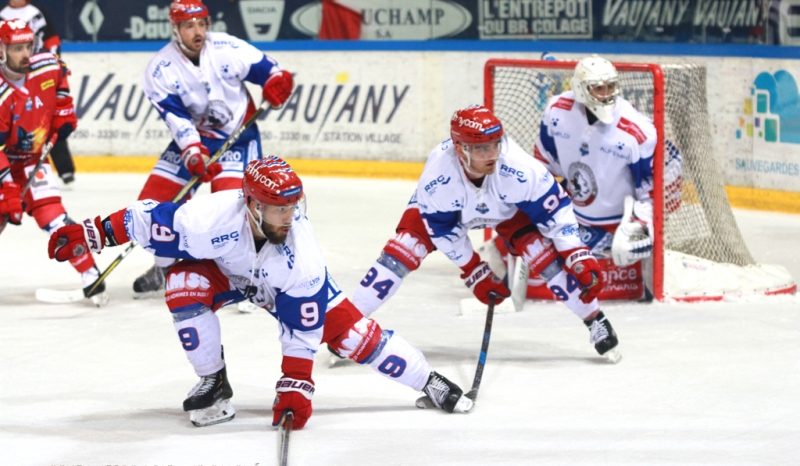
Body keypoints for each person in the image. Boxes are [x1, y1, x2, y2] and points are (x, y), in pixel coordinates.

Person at [47, 156, 473, 428]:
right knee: (182, 285)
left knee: (352, 338)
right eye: (277, 207)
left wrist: (295, 387)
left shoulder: (302, 257)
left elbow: (301, 333)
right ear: (251, 204)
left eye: (292, 206)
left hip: (279, 288)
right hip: (226, 273)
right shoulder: (208, 218)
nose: (288, 216)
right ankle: (213, 383)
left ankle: (428, 380)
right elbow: (145, 220)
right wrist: (89, 234)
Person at [352, 104, 621, 362]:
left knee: (543, 256)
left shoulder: (521, 170)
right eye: (482, 148)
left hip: (505, 209)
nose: (492, 153)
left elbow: (557, 209)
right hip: (450, 211)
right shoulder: (437, 179)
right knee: (401, 251)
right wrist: (473, 270)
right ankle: (347, 326)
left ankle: (595, 319)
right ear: (460, 148)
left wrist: (575, 252)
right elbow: (444, 229)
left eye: (495, 144)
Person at [131, 0, 294, 299]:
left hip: (238, 137)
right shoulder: (160, 70)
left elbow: (270, 70)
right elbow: (176, 118)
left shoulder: (227, 48)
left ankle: (251, 275)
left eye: (202, 24)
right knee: (150, 205)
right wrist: (194, 152)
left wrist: (276, 83)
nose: (198, 31)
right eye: (189, 25)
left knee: (235, 210)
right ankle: (164, 267)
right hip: (194, 140)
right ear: (176, 28)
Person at [532, 55, 674, 300]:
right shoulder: (557, 110)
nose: (607, 94)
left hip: (613, 225)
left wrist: (640, 224)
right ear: (580, 88)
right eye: (599, 88)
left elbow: (656, 186)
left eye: (610, 87)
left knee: (592, 266)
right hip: (570, 216)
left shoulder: (637, 131)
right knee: (514, 239)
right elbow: (544, 162)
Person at [0, 19, 106, 304]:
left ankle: (90, 274)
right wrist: (8, 190)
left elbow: (60, 78)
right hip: (4, 163)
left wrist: (62, 111)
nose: (25, 54)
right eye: (16, 48)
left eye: (28, 46)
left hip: (35, 161)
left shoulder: (46, 65)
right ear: (2, 50)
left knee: (55, 220)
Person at [0, 0, 77, 187]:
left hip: (35, 72)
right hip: (11, 75)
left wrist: (51, 60)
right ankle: (9, 175)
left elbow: (52, 41)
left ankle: (65, 169)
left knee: (51, 121)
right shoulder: (2, 13)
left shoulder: (37, 12)